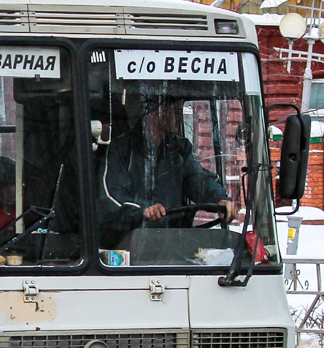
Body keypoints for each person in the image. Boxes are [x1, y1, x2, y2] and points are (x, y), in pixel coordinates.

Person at [96, 97, 236, 247]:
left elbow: (197, 179)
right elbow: (111, 197)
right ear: (154, 112)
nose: (178, 117)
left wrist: (219, 199)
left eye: (178, 110)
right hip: (130, 244)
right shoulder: (121, 149)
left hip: (174, 241)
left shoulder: (179, 149)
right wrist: (143, 211)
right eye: (173, 111)